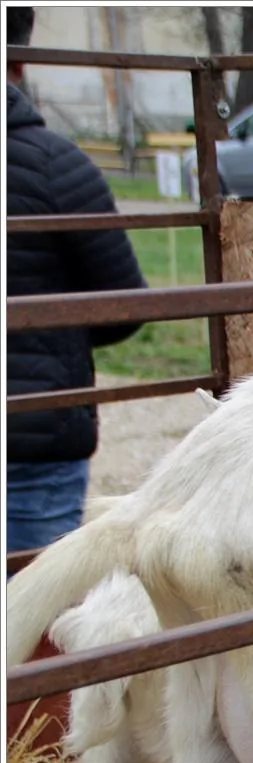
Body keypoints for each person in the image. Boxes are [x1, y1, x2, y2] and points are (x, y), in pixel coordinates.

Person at [7, 5, 147, 555]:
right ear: (23, 60)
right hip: (37, 435)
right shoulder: (55, 164)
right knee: (37, 617)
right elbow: (125, 306)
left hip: (36, 437)